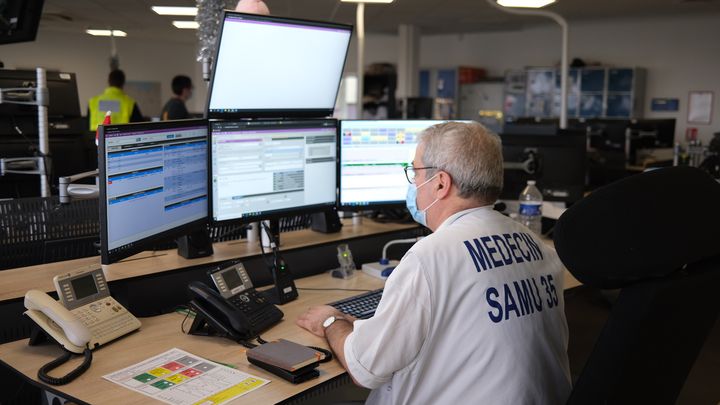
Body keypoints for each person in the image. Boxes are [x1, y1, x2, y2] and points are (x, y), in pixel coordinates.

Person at [297, 121, 572, 404]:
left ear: (440, 183)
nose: (414, 184)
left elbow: (364, 369)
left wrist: (331, 321)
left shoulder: (429, 258)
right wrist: (373, 329)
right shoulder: (538, 246)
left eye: (415, 172)